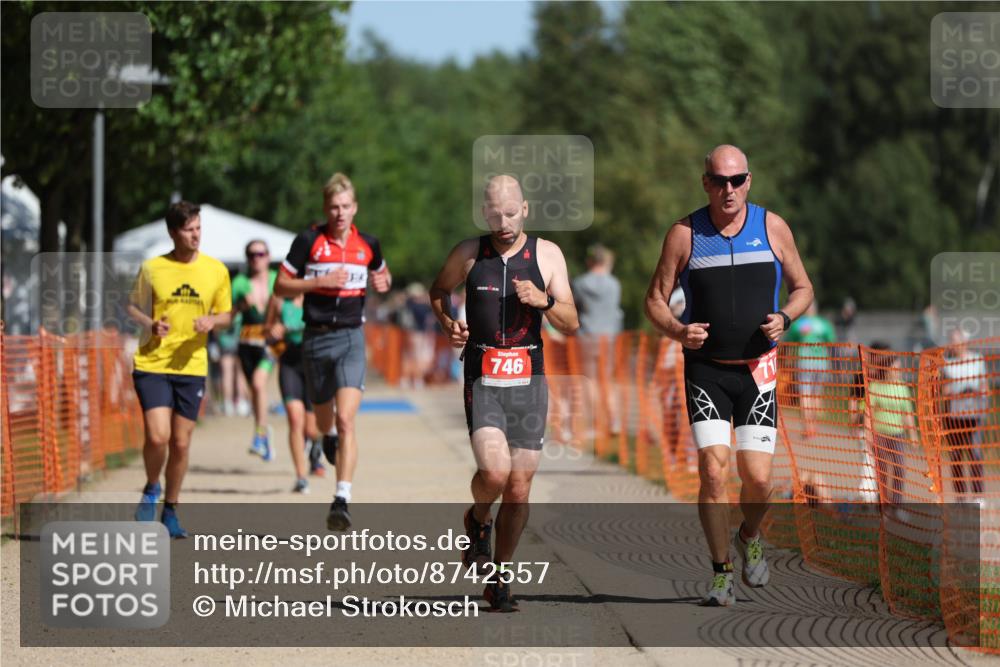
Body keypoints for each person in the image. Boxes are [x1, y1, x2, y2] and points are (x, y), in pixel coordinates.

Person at [644, 145, 813, 607]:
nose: (729, 189)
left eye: (737, 180)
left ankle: (749, 535)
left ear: (749, 181)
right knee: (713, 470)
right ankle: (721, 574)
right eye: (719, 181)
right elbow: (654, 300)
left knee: (759, 481)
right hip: (706, 371)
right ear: (706, 183)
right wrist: (678, 330)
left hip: (758, 372)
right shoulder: (685, 234)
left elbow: (803, 287)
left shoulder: (772, 227)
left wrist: (786, 316)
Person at [430, 174, 579, 612]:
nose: (503, 222)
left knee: (518, 487)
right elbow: (439, 290)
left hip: (529, 380)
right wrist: (448, 323)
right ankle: (477, 518)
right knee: (494, 474)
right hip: (484, 378)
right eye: (494, 214)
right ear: (484, 213)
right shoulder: (469, 253)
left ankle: (500, 577)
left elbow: (572, 322)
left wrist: (544, 301)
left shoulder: (547, 255)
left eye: (511, 213)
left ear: (525, 209)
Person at [274, 173, 391, 530]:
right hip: (315, 339)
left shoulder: (368, 244)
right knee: (324, 422)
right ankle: (328, 437)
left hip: (351, 339)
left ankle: (342, 498)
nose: (340, 213)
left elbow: (382, 275)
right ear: (326, 208)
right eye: (334, 207)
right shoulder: (309, 241)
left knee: (346, 419)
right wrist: (317, 282)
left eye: (345, 206)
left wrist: (384, 281)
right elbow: (280, 287)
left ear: (355, 208)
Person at [129, 201, 233, 538]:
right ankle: (151, 487)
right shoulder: (152, 268)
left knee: (181, 443)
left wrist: (212, 321)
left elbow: (227, 314)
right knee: (157, 436)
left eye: (198, 228)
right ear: (173, 232)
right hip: (153, 362)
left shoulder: (216, 270)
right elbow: (131, 306)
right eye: (189, 230)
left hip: (192, 365)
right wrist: (150, 323)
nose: (196, 235)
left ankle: (171, 510)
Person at [266, 292, 325, 493]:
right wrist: (273, 331)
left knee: (312, 430)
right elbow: (266, 331)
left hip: (313, 364)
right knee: (294, 419)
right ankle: (301, 477)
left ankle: (317, 445)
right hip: (289, 363)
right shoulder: (279, 299)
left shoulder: (317, 295)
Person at [232, 240, 278, 461]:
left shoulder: (277, 279)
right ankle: (264, 433)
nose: (256, 258)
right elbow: (228, 313)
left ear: (268, 256)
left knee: (259, 384)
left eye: (260, 254)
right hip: (247, 342)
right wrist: (240, 306)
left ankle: (259, 436)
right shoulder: (239, 283)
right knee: (254, 392)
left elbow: (291, 305)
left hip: (271, 343)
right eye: (251, 255)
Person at [572, 243, 623, 436]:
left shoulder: (580, 283)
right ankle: (614, 421)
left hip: (587, 336)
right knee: (608, 381)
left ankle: (594, 424)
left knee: (590, 381)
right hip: (609, 337)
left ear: (590, 261)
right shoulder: (614, 284)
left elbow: (574, 307)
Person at [864, 342, 916, 510]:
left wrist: (913, 435)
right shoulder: (875, 387)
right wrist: (868, 434)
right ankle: (883, 502)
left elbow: (908, 413)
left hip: (897, 434)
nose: (898, 372)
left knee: (900, 469)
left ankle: (897, 504)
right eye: (895, 369)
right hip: (880, 434)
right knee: (882, 471)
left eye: (899, 369)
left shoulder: (902, 388)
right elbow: (868, 412)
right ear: (887, 370)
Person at [940, 328, 987, 499]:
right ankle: (960, 497)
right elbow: (944, 391)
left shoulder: (977, 360)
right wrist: (958, 393)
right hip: (954, 417)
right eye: (952, 341)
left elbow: (984, 386)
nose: (954, 345)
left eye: (957, 341)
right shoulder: (947, 363)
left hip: (974, 415)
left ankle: (978, 495)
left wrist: (978, 394)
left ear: (964, 342)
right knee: (956, 456)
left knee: (975, 454)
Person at [783, 300, 837, 437]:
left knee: (805, 395)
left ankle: (807, 426)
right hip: (821, 363)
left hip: (804, 362)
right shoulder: (824, 324)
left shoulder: (799, 324)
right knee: (815, 395)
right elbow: (831, 341)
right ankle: (813, 425)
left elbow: (788, 342)